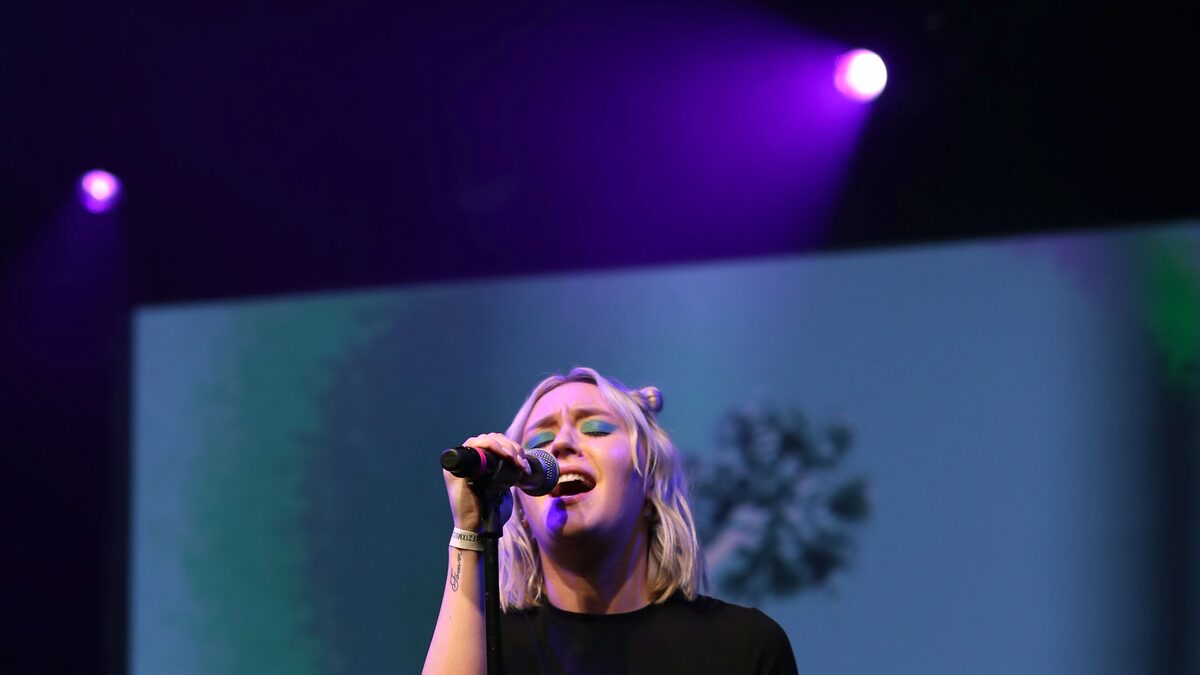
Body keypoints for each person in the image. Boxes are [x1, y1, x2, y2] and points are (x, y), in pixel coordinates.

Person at [423, 367, 798, 674]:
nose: (561, 444)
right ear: (520, 506)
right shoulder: (486, 650)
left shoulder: (743, 647)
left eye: (596, 429)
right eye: (539, 441)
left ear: (649, 481)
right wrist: (469, 530)